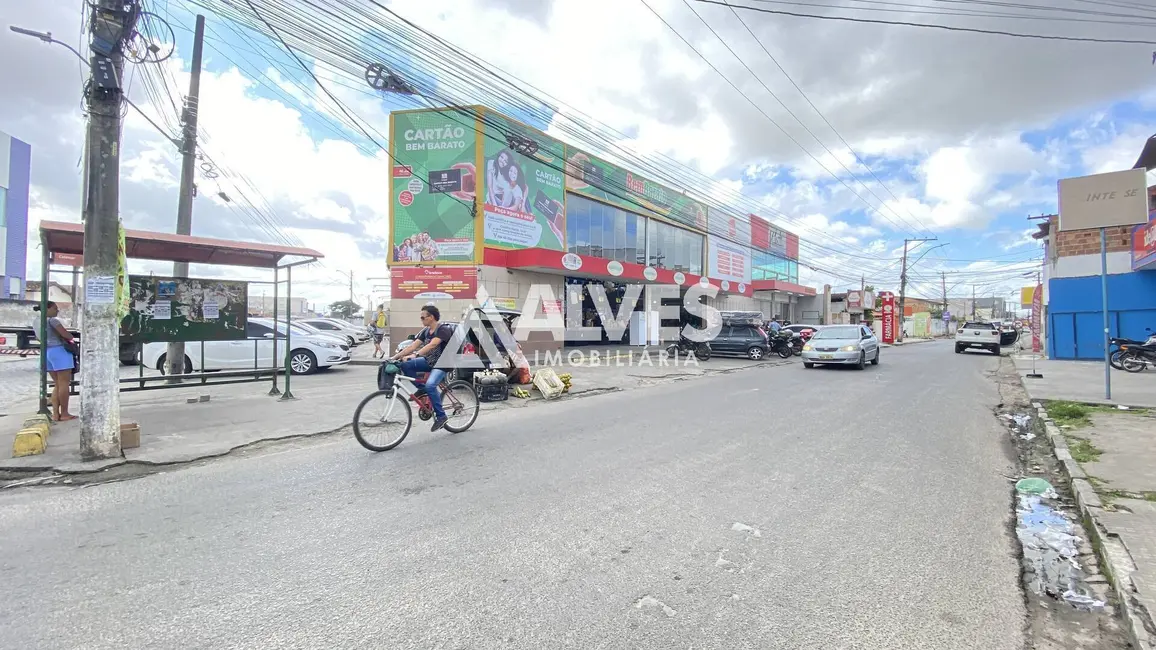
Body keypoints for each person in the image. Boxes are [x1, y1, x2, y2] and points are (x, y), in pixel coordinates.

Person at [389, 305, 454, 431]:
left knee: (431, 385)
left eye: (423, 317)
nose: (421, 319)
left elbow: (432, 344)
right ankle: (422, 389)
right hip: (429, 361)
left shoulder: (443, 329)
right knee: (405, 365)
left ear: (431, 317)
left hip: (443, 363)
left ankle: (441, 417)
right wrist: (394, 357)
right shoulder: (425, 331)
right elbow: (412, 346)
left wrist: (415, 355)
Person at [33, 301, 78, 422]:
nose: (57, 311)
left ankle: (55, 414)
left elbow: (38, 338)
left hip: (47, 352)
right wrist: (69, 336)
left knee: (57, 384)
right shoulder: (52, 321)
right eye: (55, 308)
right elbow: (67, 335)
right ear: (47, 309)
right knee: (64, 384)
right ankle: (64, 413)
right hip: (59, 351)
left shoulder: (36, 321)